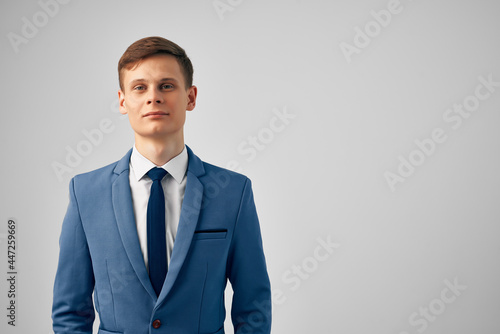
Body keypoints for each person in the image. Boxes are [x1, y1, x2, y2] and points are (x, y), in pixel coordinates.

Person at [52, 36, 272, 334]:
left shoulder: (233, 192)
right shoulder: (86, 193)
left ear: (190, 97)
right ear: (122, 100)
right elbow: (70, 312)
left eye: (166, 86)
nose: (153, 97)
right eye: (139, 87)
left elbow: (253, 306)